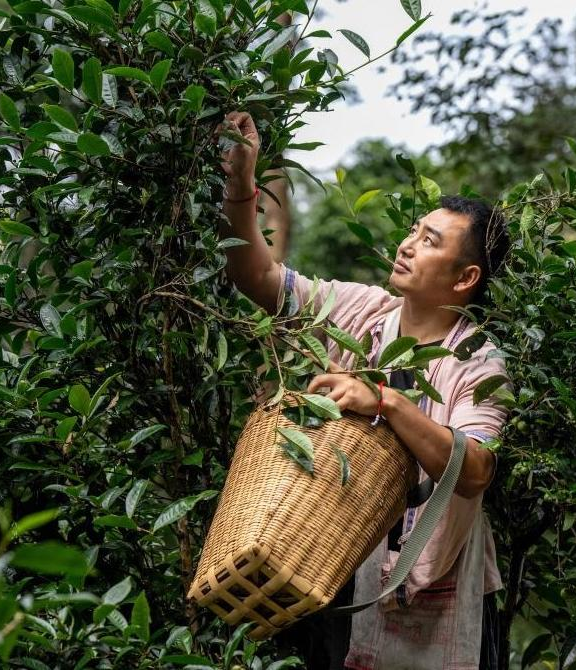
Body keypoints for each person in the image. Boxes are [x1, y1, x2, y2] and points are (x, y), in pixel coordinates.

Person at [218, 110, 512, 670]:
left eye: (428, 241)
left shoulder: (478, 361)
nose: (406, 245)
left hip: (440, 584)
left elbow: (474, 470)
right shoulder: (362, 311)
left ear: (465, 277)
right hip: (338, 573)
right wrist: (241, 186)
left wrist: (385, 401)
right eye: (413, 232)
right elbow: (255, 277)